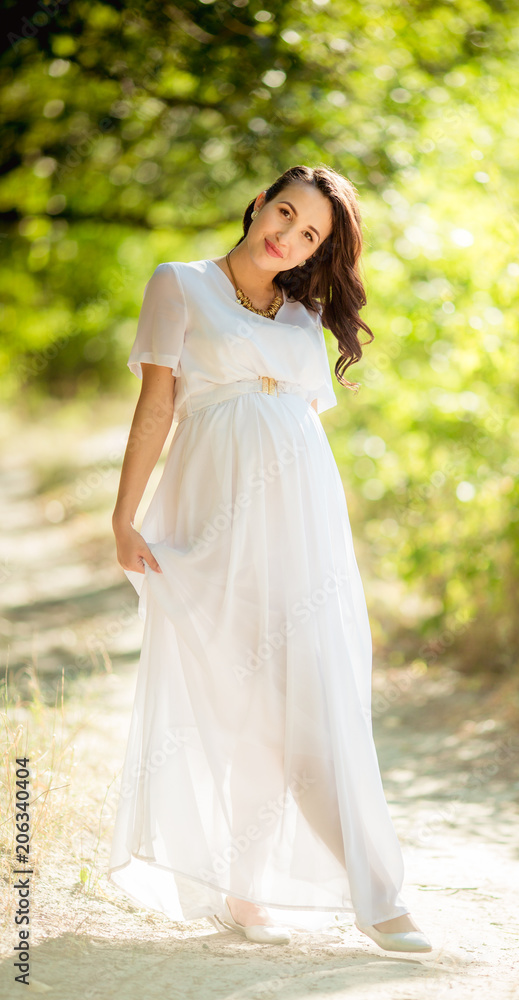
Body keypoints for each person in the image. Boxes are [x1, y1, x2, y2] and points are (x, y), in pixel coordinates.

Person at [108, 163, 432, 954]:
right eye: (282, 212)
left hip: (302, 524)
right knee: (255, 701)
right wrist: (124, 517)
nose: (286, 233)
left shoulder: (300, 315)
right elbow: (158, 404)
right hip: (213, 519)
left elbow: (296, 423)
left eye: (309, 232)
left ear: (316, 249)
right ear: (256, 203)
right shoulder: (179, 284)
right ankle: (373, 892)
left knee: (300, 698)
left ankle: (250, 894)